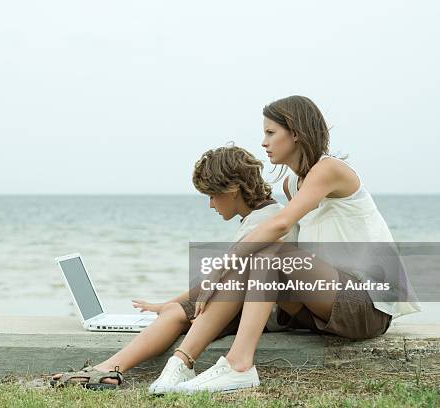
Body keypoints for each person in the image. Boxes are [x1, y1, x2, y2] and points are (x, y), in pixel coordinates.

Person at [172, 95, 421, 394]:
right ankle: (183, 365)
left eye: (270, 133)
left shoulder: (330, 169)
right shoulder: (292, 185)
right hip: (321, 310)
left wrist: (220, 269)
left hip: (367, 306)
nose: (263, 142)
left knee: (271, 252)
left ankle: (239, 365)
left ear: (296, 133)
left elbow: (279, 224)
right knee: (264, 256)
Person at [50, 145, 296, 392]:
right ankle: (111, 369)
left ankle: (122, 368)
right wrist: (169, 302)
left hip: (267, 311)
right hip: (245, 301)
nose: (211, 205)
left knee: (177, 312)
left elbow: (230, 277)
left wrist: (173, 302)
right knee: (174, 312)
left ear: (232, 190)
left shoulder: (266, 219)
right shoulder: (259, 215)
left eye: (212, 195)